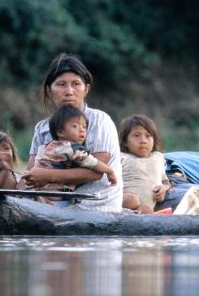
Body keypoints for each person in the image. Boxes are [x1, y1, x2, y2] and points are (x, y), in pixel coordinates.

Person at [21, 54, 123, 212]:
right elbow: (31, 173)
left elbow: (96, 173)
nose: (69, 91)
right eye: (61, 84)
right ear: (49, 90)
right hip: (53, 207)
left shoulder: (99, 120)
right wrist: (23, 194)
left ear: (86, 89)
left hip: (96, 207)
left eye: (76, 84)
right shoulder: (42, 128)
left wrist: (48, 176)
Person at [29, 105, 118, 195]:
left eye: (84, 127)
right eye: (75, 126)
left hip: (41, 190)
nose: (82, 130)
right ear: (60, 132)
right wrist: (109, 171)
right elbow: (92, 162)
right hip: (56, 191)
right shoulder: (70, 148)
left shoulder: (49, 145)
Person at [118, 114, 171, 213]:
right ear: (125, 141)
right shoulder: (120, 157)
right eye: (136, 135)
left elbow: (165, 182)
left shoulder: (157, 157)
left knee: (147, 210)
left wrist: (163, 189)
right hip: (123, 201)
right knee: (131, 200)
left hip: (145, 208)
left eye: (148, 136)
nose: (143, 141)